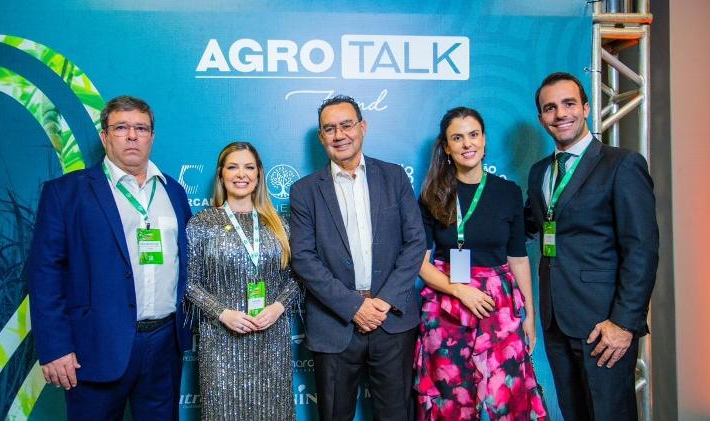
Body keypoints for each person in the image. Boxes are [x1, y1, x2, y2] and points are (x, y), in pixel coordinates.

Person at [27, 95, 192, 420]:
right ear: (104, 136)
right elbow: (44, 274)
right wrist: (55, 347)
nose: (132, 136)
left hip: (164, 344)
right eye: (121, 127)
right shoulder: (66, 193)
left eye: (141, 128)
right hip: (96, 346)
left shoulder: (173, 191)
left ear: (152, 137)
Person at [525, 72, 658, 421]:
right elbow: (527, 223)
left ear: (585, 108)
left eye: (569, 104)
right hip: (556, 320)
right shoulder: (540, 172)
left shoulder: (621, 164)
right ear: (541, 118)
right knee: (575, 414)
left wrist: (624, 324)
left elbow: (641, 250)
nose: (560, 114)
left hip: (604, 325)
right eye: (549, 108)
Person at [290, 94, 426, 421]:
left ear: (362, 127)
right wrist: (355, 307)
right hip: (334, 325)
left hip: (391, 320)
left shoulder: (394, 177)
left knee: (396, 415)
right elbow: (305, 259)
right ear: (322, 137)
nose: (339, 135)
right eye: (330, 129)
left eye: (346, 125)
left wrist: (384, 301)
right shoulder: (304, 190)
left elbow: (415, 242)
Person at [415, 107, 547, 420]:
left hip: (499, 305)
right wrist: (461, 291)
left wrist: (529, 313)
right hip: (446, 304)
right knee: (449, 397)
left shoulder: (508, 192)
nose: (467, 144)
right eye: (457, 138)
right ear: (447, 147)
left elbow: (517, 256)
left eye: (473, 135)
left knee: (508, 396)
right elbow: (419, 264)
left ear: (484, 140)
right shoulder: (432, 194)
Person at [185, 141, 301, 420]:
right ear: (221, 175)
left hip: (272, 338)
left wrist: (278, 307)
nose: (241, 174)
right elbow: (189, 283)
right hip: (221, 342)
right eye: (233, 167)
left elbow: (298, 276)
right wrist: (222, 313)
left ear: (259, 174)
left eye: (249, 167)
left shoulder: (280, 223)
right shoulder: (202, 223)